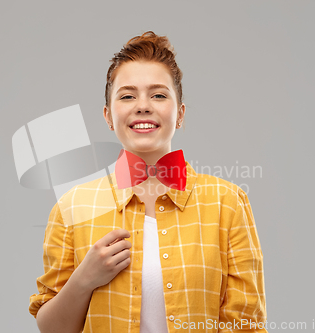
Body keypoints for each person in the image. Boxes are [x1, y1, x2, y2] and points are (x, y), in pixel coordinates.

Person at [29, 31, 267, 333]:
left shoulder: (227, 203)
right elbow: (52, 329)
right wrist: (84, 279)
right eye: (127, 96)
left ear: (180, 114)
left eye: (158, 94)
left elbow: (247, 325)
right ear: (108, 115)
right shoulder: (72, 207)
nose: (143, 106)